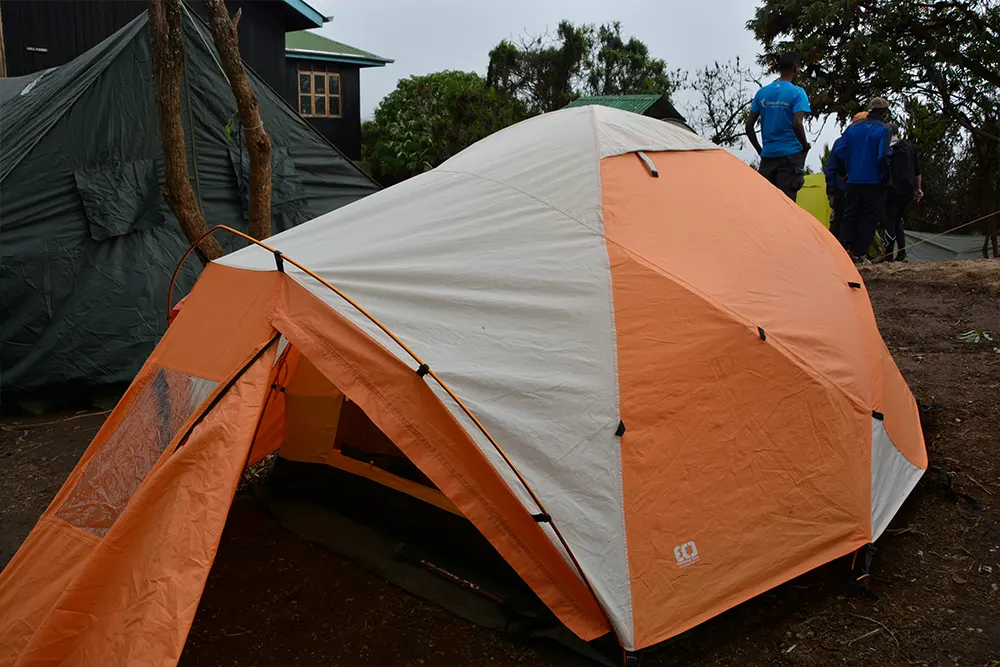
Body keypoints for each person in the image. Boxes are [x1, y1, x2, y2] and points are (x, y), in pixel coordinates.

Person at [832, 98, 893, 263]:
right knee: (868, 218)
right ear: (884, 112)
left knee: (849, 215)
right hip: (873, 182)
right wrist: (886, 178)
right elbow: (882, 157)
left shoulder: (852, 129)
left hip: (853, 180)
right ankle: (859, 254)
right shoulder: (884, 130)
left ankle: (842, 251)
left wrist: (844, 172)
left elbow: (839, 153)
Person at [745, 51, 811, 200]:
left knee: (766, 204)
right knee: (786, 204)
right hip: (790, 156)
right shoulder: (798, 93)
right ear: (795, 68)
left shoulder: (762, 93)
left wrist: (760, 150)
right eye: (799, 67)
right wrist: (804, 145)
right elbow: (797, 124)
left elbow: (749, 126)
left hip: (768, 156)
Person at [880, 122, 923, 262]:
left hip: (891, 189)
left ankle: (888, 255)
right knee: (898, 220)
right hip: (908, 191)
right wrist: (918, 189)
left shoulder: (887, 148)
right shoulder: (910, 148)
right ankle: (902, 253)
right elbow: (918, 172)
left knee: (889, 221)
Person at [825, 111, 868, 240]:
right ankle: (848, 251)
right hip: (850, 189)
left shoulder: (841, 141)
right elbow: (832, 166)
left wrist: (832, 188)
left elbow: (830, 167)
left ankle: (837, 250)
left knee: (840, 219)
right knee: (849, 220)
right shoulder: (862, 143)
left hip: (843, 189)